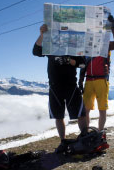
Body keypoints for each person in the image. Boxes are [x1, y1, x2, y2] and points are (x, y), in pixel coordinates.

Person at [33, 24, 88, 153]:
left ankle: (85, 138)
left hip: (71, 85)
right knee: (58, 116)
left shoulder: (74, 47)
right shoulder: (51, 46)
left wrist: (72, 62)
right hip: (55, 86)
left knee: (80, 114)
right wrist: (42, 34)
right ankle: (63, 141)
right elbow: (35, 51)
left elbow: (83, 64)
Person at [79, 14, 114, 132]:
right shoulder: (86, 48)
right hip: (88, 80)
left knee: (102, 109)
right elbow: (82, 66)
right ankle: (86, 133)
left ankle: (100, 132)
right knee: (85, 110)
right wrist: (80, 81)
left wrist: (113, 27)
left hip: (101, 79)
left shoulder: (105, 45)